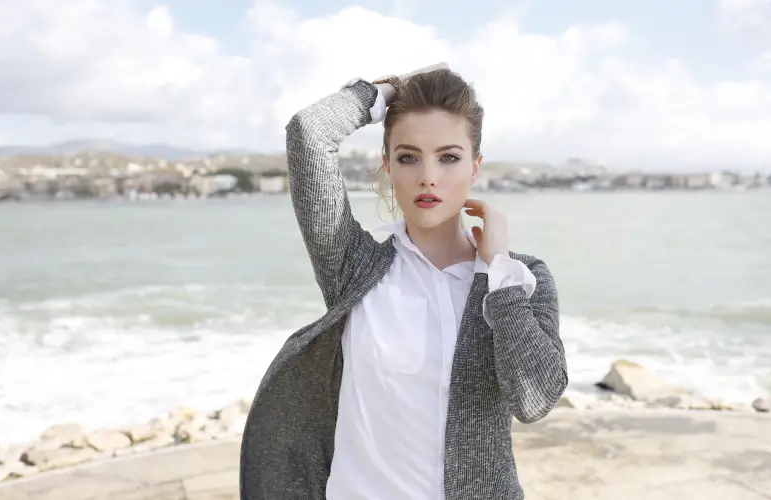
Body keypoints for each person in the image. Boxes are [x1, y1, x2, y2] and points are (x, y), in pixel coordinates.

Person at [240, 63, 568, 500]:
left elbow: (534, 399)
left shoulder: (521, 279)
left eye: (449, 157)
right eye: (408, 157)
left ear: (475, 167)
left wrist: (498, 272)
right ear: (388, 167)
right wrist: (385, 91)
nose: (427, 176)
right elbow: (309, 132)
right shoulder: (354, 266)